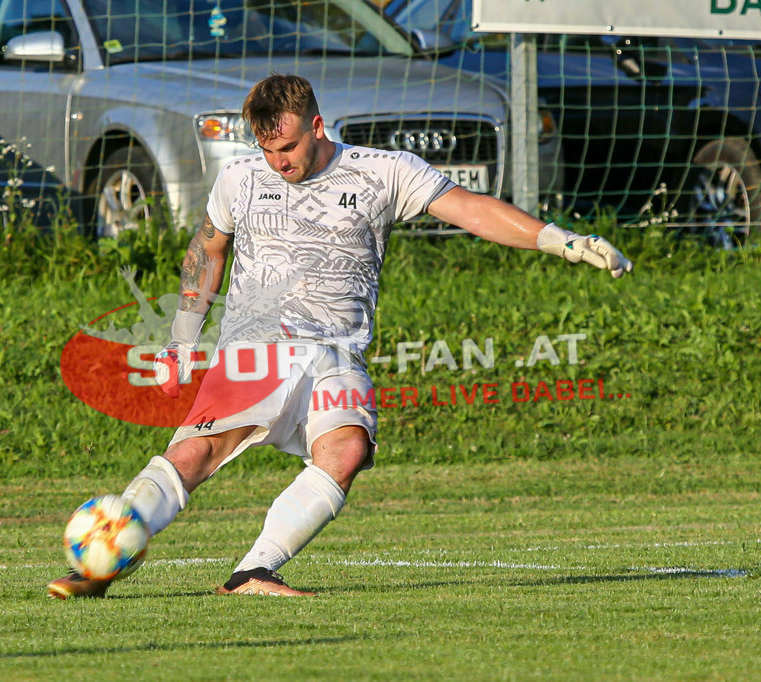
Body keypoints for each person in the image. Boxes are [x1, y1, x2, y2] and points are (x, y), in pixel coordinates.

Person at [47, 74, 632, 599]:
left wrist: (563, 240)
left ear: (318, 125)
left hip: (335, 351)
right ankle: (99, 565)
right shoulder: (240, 177)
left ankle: (254, 572)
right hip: (256, 350)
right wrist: (182, 338)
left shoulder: (384, 172)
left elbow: (471, 210)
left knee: (346, 449)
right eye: (268, 149)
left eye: (289, 147)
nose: (279, 161)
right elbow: (208, 248)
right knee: (194, 453)